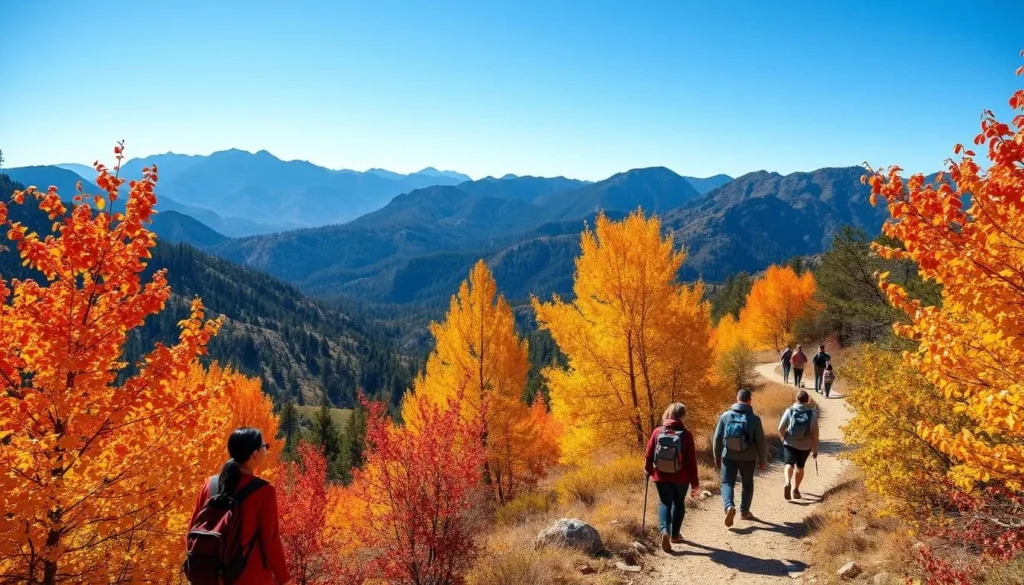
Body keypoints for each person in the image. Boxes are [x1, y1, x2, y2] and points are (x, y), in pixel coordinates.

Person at [186, 428, 291, 585]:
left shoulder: (210, 484)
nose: (266, 450)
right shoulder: (264, 491)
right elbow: (271, 541)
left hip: (210, 576)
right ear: (255, 453)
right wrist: (284, 579)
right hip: (250, 578)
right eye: (265, 447)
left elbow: (191, 530)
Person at [644, 403, 700, 552]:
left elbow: (649, 454)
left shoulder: (657, 432)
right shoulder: (686, 435)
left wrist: (647, 470)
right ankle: (675, 535)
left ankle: (664, 531)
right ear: (683, 416)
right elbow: (692, 462)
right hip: (681, 477)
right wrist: (695, 483)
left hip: (661, 476)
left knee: (664, 503)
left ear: (667, 414)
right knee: (679, 503)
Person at [713, 388, 768, 527]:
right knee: (747, 483)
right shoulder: (754, 419)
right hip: (748, 457)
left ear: (737, 399)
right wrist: (763, 460)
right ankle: (745, 512)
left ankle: (729, 506)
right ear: (750, 400)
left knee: (727, 482)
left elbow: (717, 438)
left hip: (728, 455)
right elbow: (760, 441)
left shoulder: (725, 416)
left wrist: (717, 456)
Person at [778, 391, 819, 500]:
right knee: (800, 467)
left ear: (796, 399)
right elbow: (815, 434)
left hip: (790, 442)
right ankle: (796, 490)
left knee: (789, 463)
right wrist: (815, 449)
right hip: (805, 445)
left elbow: (780, 428)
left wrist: (784, 438)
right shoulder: (811, 414)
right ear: (808, 400)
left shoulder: (790, 410)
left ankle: (787, 482)